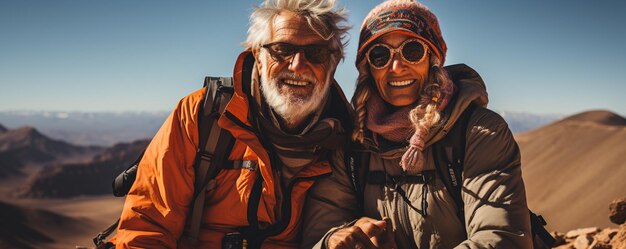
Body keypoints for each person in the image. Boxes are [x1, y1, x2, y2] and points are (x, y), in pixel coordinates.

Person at [108, 0, 354, 248]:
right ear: (258, 56)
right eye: (282, 49)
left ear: (333, 63)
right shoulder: (202, 116)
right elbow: (147, 227)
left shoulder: (349, 140)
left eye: (317, 53)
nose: (298, 65)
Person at [302, 0, 533, 248]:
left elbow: (501, 238)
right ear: (368, 69)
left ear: (433, 59)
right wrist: (333, 241)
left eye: (412, 51)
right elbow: (317, 234)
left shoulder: (479, 132)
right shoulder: (353, 142)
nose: (397, 66)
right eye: (379, 55)